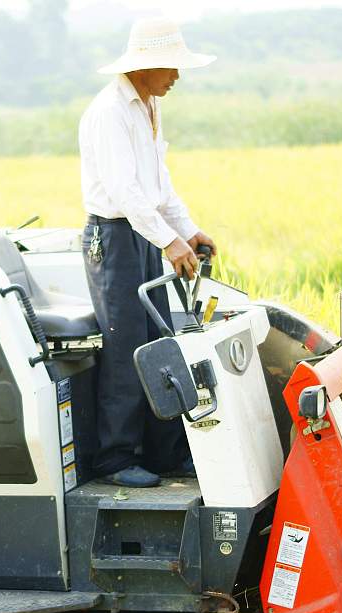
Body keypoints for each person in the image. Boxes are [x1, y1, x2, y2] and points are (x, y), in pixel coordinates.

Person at [79, 16, 218, 488]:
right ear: (148, 65)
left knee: (159, 343)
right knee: (126, 346)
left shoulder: (149, 106)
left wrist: (189, 231)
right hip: (114, 238)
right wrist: (170, 241)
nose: (177, 76)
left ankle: (165, 455)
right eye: (172, 67)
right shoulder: (110, 111)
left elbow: (159, 186)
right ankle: (115, 460)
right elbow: (124, 192)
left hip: (143, 233)